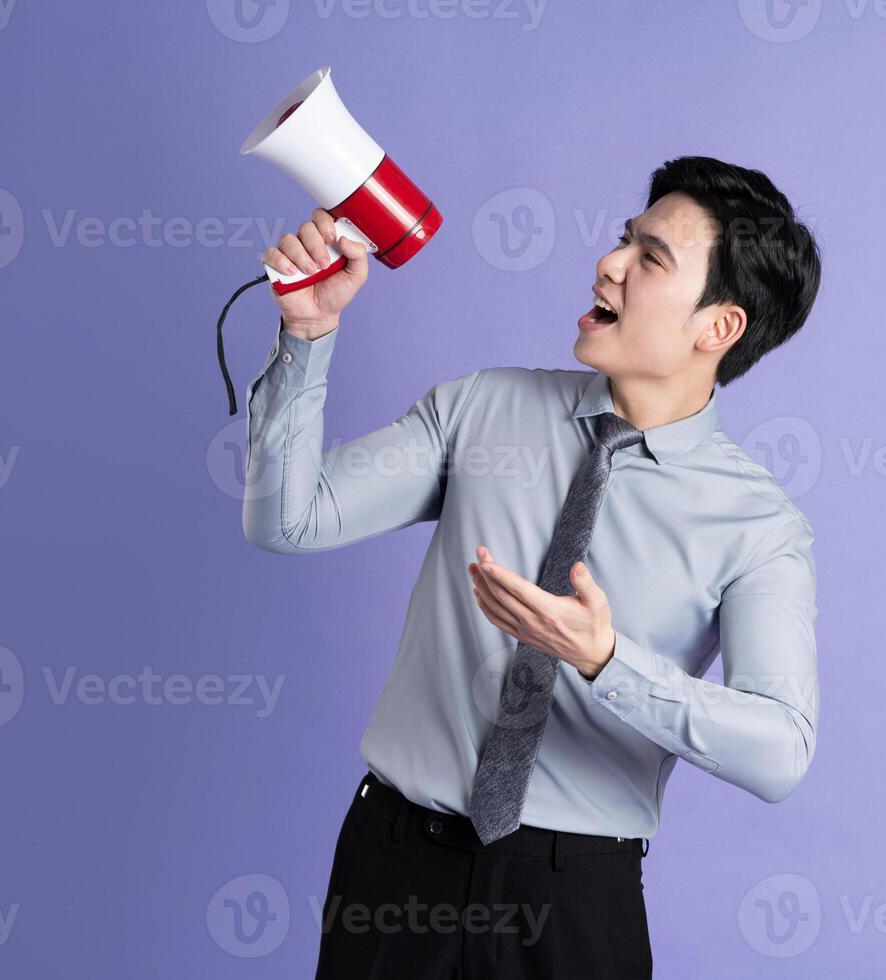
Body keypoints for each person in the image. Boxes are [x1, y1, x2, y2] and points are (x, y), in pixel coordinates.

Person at [241, 156, 822, 979]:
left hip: (574, 901)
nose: (609, 263)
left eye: (650, 257)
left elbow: (780, 750)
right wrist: (306, 337)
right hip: (396, 866)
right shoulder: (483, 408)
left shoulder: (758, 527)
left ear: (718, 327)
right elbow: (286, 522)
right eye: (625, 238)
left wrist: (606, 662)